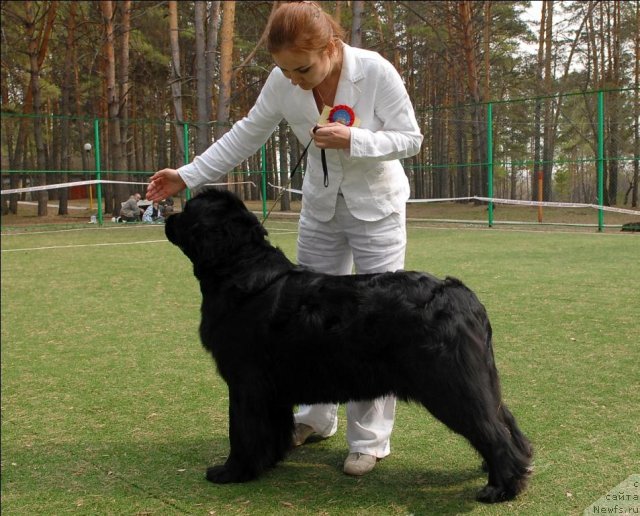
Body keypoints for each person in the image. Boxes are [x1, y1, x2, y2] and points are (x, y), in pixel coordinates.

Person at [146, 1, 423, 477]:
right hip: (319, 210)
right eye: (285, 70)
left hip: (377, 211)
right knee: (305, 322)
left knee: (376, 321)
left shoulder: (376, 71)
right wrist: (186, 176)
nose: (295, 79)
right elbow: (245, 135)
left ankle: (370, 441)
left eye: (303, 68)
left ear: (331, 47)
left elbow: (410, 138)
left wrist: (356, 140)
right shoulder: (282, 81)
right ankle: (314, 417)